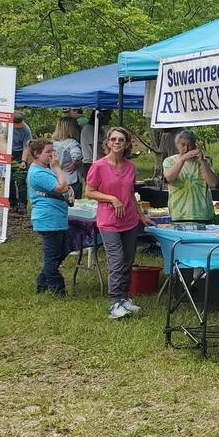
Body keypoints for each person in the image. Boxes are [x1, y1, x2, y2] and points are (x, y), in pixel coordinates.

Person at [86, 127, 154, 319]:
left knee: (127, 261)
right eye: (113, 139)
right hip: (109, 222)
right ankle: (114, 302)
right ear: (107, 143)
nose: (117, 142)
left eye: (121, 140)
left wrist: (141, 216)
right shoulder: (98, 166)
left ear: (126, 144)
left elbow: (131, 193)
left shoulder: (130, 167)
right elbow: (89, 191)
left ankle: (124, 299)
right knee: (116, 261)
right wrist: (111, 198)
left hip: (130, 221)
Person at [26, 138, 70, 295]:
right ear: (37, 154)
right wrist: (57, 167)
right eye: (48, 152)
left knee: (61, 251)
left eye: (53, 151)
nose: (52, 155)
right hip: (48, 219)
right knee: (52, 256)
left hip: (56, 218)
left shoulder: (43, 168)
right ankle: (57, 288)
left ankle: (42, 283)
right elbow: (62, 187)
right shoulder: (37, 172)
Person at [162, 129, 218, 223]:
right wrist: (182, 159)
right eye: (183, 145)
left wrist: (202, 162)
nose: (186, 149)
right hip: (179, 214)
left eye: (189, 145)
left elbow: (213, 184)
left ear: (194, 145)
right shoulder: (169, 161)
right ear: (177, 145)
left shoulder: (205, 161)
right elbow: (169, 178)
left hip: (203, 215)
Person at [51, 116, 84, 199]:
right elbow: (77, 156)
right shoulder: (72, 143)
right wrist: (75, 163)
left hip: (55, 180)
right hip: (71, 181)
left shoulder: (52, 144)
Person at [9, 111, 32, 213]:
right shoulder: (7, 126)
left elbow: (26, 147)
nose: (18, 127)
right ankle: (12, 204)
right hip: (8, 153)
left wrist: (23, 161)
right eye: (16, 125)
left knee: (20, 180)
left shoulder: (26, 130)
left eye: (19, 125)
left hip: (20, 154)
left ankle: (23, 205)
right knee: (9, 181)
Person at [79, 110, 113, 178]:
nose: (110, 118)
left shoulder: (99, 129)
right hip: (91, 164)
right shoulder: (89, 129)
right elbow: (97, 149)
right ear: (101, 115)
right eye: (108, 115)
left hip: (99, 162)